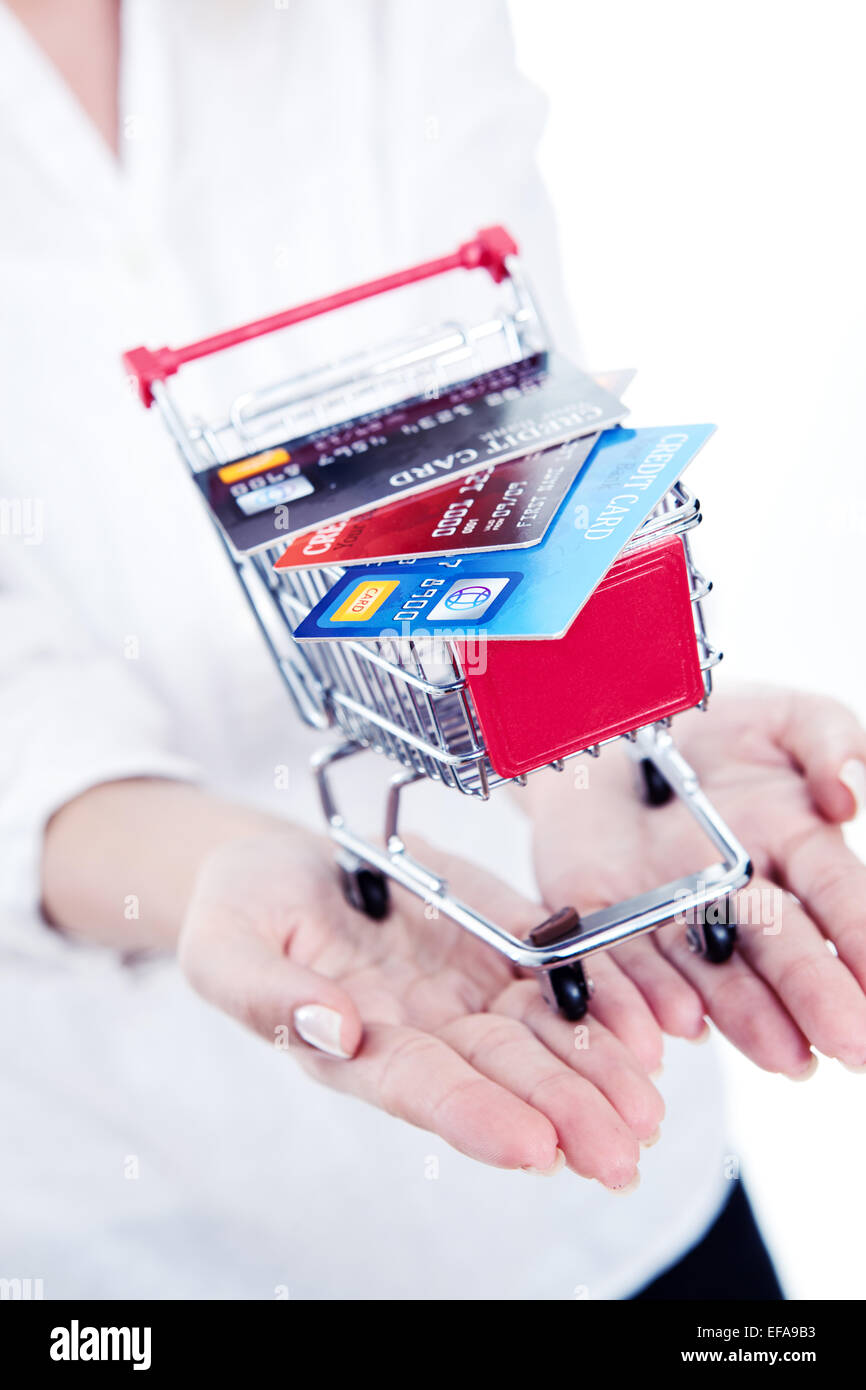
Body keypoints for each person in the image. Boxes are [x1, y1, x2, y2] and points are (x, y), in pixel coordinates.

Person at [1, 0, 864, 1301]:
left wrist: (601, 749)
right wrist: (210, 874)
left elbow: (511, 421)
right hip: (156, 1233)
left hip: (618, 1204)